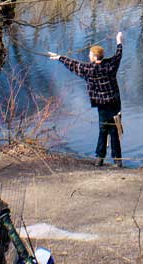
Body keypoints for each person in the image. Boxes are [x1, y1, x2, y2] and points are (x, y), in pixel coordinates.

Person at [49, 32, 124, 167]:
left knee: (103, 130)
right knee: (114, 131)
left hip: (101, 105)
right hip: (114, 104)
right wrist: (119, 41)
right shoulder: (111, 66)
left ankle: (99, 159)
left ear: (95, 57)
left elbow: (73, 64)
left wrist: (60, 57)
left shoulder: (89, 70)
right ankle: (117, 160)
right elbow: (118, 55)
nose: (88, 56)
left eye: (90, 54)